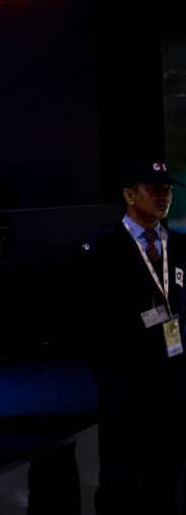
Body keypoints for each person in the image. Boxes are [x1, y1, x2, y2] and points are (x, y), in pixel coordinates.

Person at [80, 157, 186, 514]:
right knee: (121, 480)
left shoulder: (181, 247)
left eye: (167, 189)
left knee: (167, 478)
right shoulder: (102, 252)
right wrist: (113, 379)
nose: (164, 196)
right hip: (127, 387)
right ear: (129, 194)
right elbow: (91, 326)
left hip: (173, 384)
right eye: (154, 189)